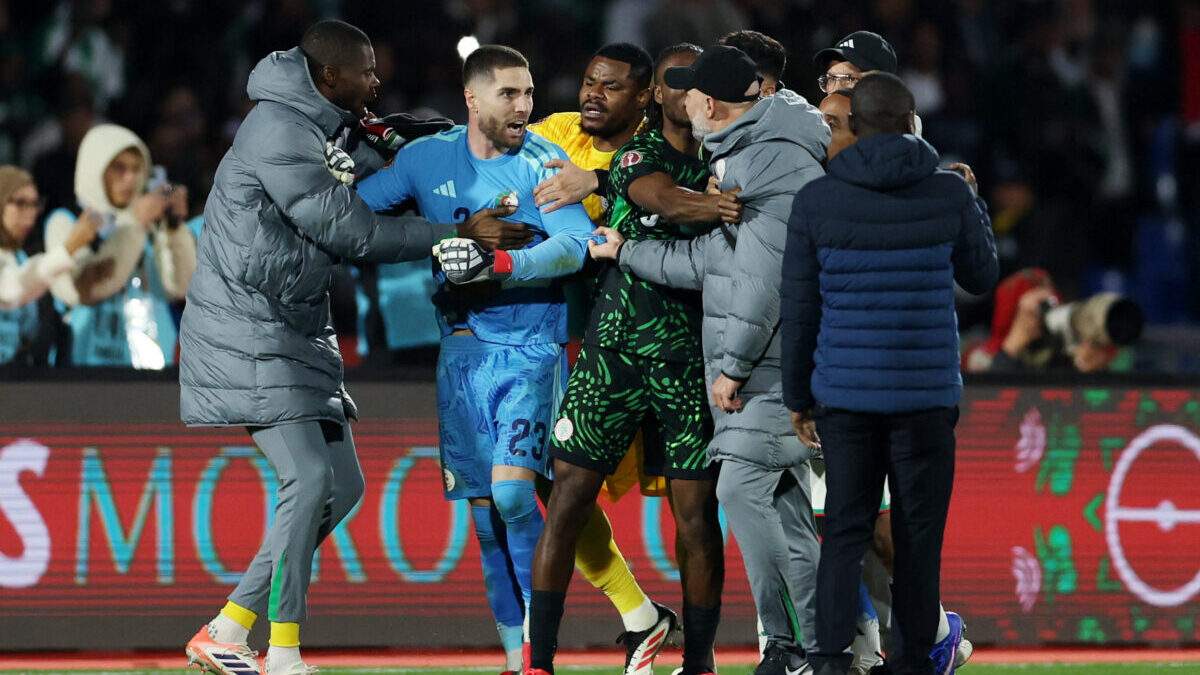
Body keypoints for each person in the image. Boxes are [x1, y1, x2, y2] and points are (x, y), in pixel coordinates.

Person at [179, 21, 520, 675]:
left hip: (294, 325)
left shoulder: (324, 125)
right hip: (249, 328)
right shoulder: (278, 130)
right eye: (365, 71)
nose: (376, 80)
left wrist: (417, 142)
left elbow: (367, 174)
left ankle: (227, 627)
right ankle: (281, 651)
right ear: (330, 75)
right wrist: (455, 233)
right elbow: (351, 230)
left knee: (342, 484)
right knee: (308, 479)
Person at [354, 45, 600, 675]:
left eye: (529, 92)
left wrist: (503, 263)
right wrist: (347, 158)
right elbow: (352, 209)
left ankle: (541, 651)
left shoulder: (543, 161)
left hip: (531, 347)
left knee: (514, 497)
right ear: (472, 99)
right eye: (509, 94)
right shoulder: (426, 160)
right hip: (462, 349)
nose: (525, 106)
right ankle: (516, 657)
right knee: (487, 519)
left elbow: (578, 243)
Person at [588, 45, 830, 675]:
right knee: (787, 514)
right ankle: (814, 648)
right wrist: (625, 251)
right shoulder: (744, 153)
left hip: (769, 368)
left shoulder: (764, 159)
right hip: (768, 366)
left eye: (691, 89)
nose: (682, 98)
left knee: (738, 489)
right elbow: (709, 263)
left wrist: (734, 368)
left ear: (711, 104)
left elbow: (763, 282)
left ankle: (795, 645)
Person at [781, 73, 998, 675]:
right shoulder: (947, 193)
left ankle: (829, 661)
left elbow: (800, 309)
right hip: (925, 399)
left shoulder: (816, 200)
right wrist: (972, 199)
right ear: (910, 123)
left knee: (844, 535)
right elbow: (982, 276)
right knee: (918, 538)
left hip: (845, 398)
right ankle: (912, 662)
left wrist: (798, 397)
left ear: (853, 125)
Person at [526, 42, 688, 675]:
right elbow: (493, 156)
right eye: (589, 81)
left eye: (611, 86)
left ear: (644, 97)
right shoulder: (558, 131)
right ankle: (638, 617)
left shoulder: (660, 149)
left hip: (662, 344)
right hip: (583, 341)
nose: (593, 94)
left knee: (695, 502)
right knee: (557, 483)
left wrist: (593, 183)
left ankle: (745, 646)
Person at [43, 123, 196, 368]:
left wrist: (174, 227)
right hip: (82, 373)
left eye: (136, 169)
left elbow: (180, 288)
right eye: (119, 168)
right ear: (96, 167)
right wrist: (135, 222)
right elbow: (85, 291)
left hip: (152, 372)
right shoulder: (66, 222)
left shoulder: (147, 222)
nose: (130, 178)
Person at [0, 166, 98, 365]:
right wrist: (68, 248)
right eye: (20, 203)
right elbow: (11, 288)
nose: (30, 214)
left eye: (35, 204)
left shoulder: (20, 257)